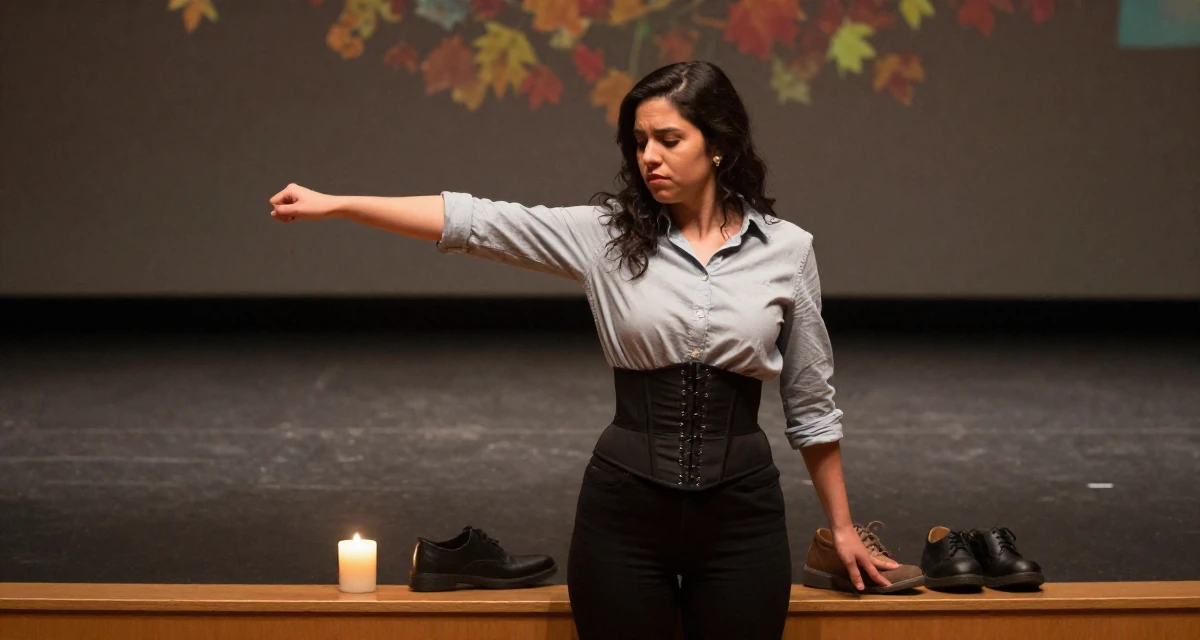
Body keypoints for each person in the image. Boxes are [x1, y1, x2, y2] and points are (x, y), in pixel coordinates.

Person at [269, 60, 897, 640]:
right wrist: (339, 204)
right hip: (624, 519)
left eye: (668, 140)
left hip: (742, 520)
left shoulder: (787, 250)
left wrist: (842, 529)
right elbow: (472, 220)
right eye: (639, 141)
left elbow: (811, 403)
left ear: (720, 145)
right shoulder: (605, 236)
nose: (648, 156)